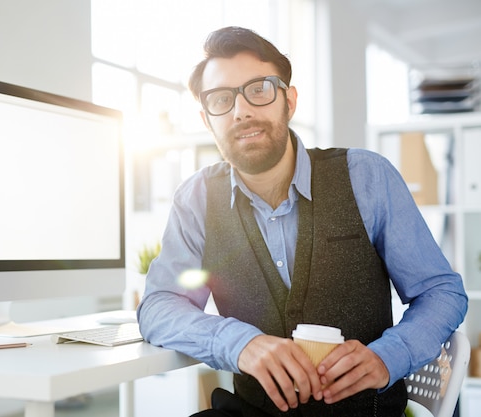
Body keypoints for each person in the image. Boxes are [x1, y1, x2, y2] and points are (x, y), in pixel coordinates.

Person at [136, 26, 468, 417]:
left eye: (259, 89)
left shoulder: (366, 176)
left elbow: (441, 292)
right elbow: (158, 305)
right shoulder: (195, 198)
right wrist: (237, 342)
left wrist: (389, 355)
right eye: (221, 99)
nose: (241, 110)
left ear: (289, 101)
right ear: (208, 120)